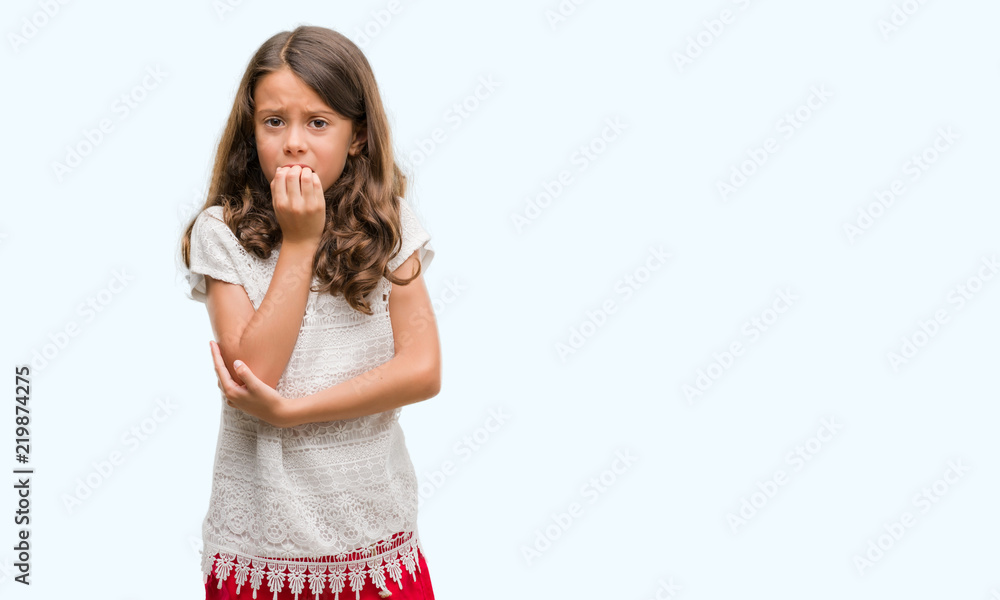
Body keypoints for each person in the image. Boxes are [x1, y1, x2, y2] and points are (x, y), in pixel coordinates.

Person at [178, 25, 440, 600]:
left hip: (374, 536)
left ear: (357, 136)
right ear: (252, 132)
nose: (294, 141)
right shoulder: (221, 233)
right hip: (263, 552)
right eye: (274, 121)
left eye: (317, 122)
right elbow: (255, 374)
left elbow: (422, 370)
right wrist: (299, 243)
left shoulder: (390, 225)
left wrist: (296, 413)